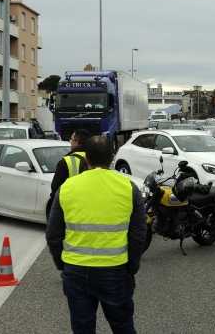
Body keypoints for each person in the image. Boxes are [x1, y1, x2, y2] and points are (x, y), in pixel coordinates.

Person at [46, 136, 147, 333]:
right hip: (115, 270)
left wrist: (62, 265)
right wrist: (132, 266)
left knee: (82, 328)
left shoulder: (66, 187)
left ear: (86, 160)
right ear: (112, 157)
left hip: (76, 270)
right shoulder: (128, 187)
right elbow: (138, 234)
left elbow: (53, 234)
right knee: (123, 327)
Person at [50, 129, 90, 203]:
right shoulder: (95, 158)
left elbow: (56, 189)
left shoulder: (66, 161)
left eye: (71, 140)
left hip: (72, 204)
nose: (70, 142)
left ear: (77, 143)